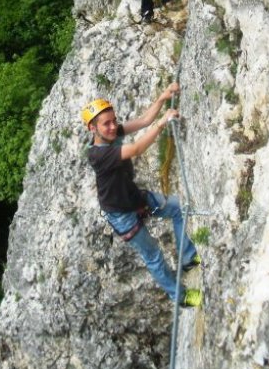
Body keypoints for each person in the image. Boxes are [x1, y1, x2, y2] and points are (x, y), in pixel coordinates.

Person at [82, 87, 202, 308]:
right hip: (121, 215)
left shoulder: (113, 134)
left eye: (113, 121)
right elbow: (136, 149)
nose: (112, 127)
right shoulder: (98, 155)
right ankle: (180, 296)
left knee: (178, 207)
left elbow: (144, 120)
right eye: (105, 124)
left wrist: (162, 98)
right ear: (92, 128)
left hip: (134, 198)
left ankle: (187, 257)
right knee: (154, 255)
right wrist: (162, 123)